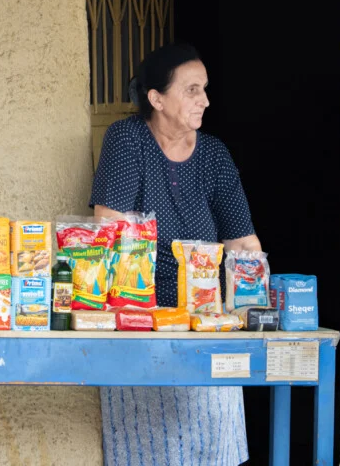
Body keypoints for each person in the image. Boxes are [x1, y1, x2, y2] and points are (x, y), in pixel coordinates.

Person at [90, 43, 261, 466]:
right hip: (141, 320)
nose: (204, 100)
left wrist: (255, 305)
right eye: (192, 90)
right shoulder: (128, 139)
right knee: (146, 449)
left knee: (213, 444)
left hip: (206, 321)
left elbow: (243, 244)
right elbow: (109, 230)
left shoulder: (214, 155)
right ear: (156, 99)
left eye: (204, 89)